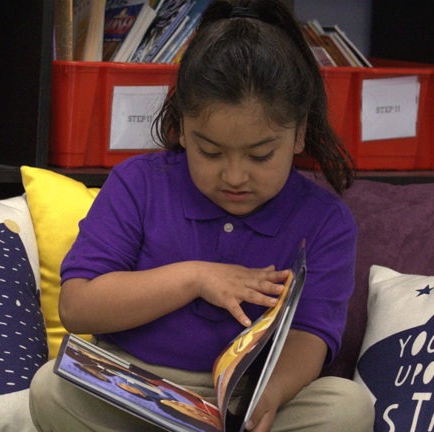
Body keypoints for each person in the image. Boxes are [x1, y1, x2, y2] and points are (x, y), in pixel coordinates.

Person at [29, 0, 375, 431]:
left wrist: (269, 394)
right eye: (209, 152)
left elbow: (311, 336)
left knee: (347, 406)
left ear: (299, 133)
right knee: (51, 388)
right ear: (181, 128)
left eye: (260, 155)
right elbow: (79, 307)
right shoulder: (138, 183)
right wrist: (196, 277)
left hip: (241, 401)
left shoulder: (326, 220)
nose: (234, 176)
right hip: (137, 387)